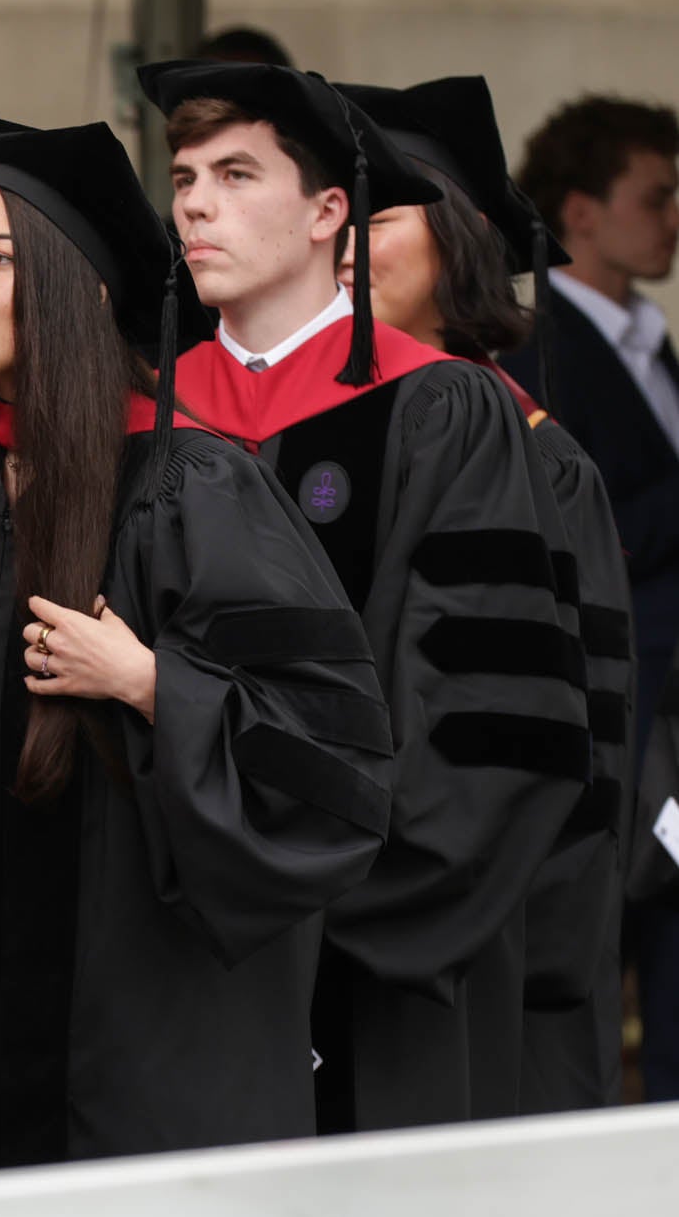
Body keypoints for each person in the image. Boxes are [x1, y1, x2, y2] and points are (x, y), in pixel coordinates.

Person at [0, 113, 390, 1172]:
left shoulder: (188, 490)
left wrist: (149, 683)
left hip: (129, 1060)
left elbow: (336, 765)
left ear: (83, 290)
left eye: (0, 259)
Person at [142, 60, 587, 1132]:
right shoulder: (150, 418)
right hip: (159, 957)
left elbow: (492, 720)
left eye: (236, 173)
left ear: (327, 213)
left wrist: (336, 912)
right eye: (185, 176)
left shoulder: (447, 416)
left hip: (377, 946)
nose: (196, 201)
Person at [336, 75, 632, 1113]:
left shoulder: (542, 465)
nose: (346, 242)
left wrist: (372, 895)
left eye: (379, 213)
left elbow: (554, 751)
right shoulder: (303, 444)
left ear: (461, 240)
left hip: (479, 938)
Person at [501, 95, 679, 1102]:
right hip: (621, 715)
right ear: (579, 211)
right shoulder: (541, 344)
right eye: (653, 197)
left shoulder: (649, 340)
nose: (672, 217)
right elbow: (582, 525)